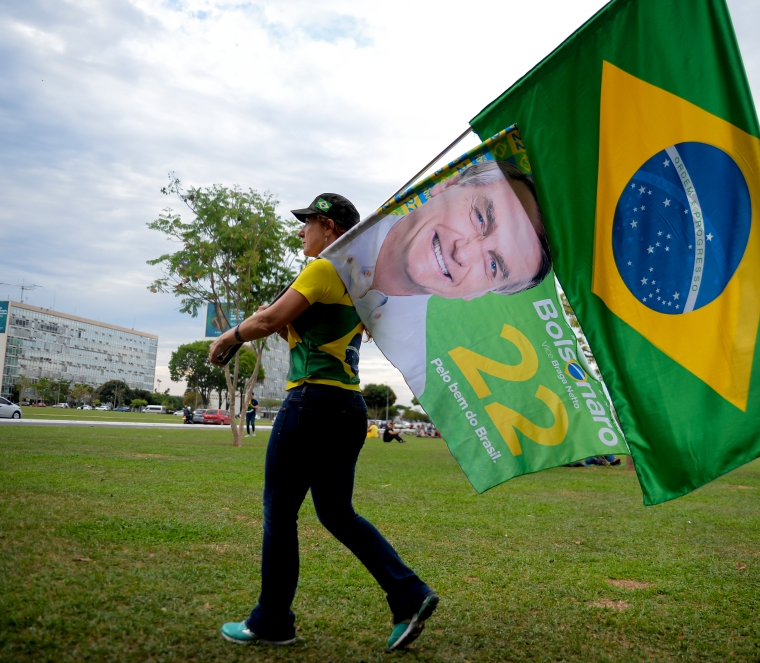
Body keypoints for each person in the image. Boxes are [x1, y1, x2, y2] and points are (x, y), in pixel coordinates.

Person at [209, 193, 438, 651]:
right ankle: (409, 594)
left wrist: (229, 336)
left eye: (307, 223)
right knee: (336, 513)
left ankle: (272, 620)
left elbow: (272, 318)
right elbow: (286, 319)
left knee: (279, 513)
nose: (301, 232)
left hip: (310, 403)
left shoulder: (323, 269)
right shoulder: (361, 280)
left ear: (330, 227)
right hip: (349, 409)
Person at [326, 160, 552, 397]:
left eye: (493, 265)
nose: (462, 252)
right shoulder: (336, 243)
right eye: (480, 218)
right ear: (448, 185)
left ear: (478, 293)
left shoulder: (415, 364)